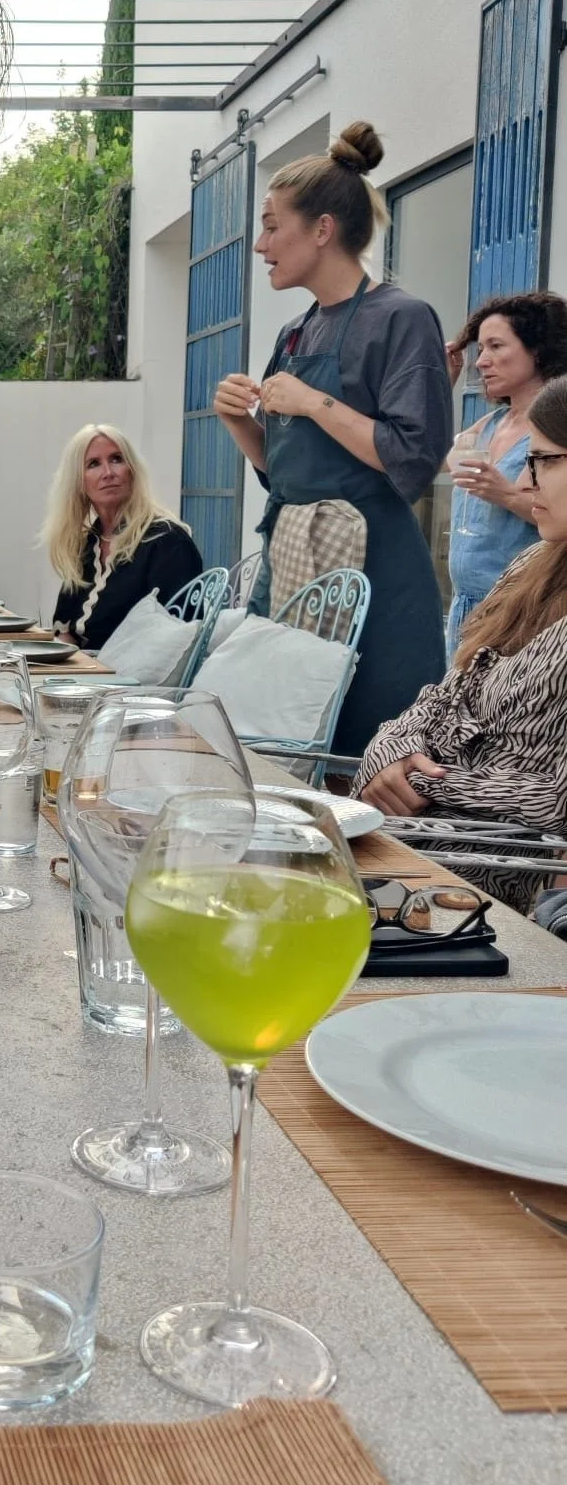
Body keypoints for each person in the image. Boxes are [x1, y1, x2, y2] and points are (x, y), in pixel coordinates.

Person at [212, 122, 452, 757]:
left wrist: (314, 403)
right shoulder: (296, 331)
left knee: (366, 754)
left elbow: (413, 456)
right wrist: (240, 422)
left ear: (322, 229)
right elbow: (285, 472)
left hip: (374, 572)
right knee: (278, 739)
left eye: (272, 226)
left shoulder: (401, 318)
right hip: (293, 555)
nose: (261, 244)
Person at [356, 375, 567, 908]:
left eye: (544, 460)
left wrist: (420, 781)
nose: (526, 483)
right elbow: (447, 694)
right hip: (410, 849)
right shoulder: (534, 565)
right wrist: (391, 751)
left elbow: (557, 799)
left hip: (489, 881)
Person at [442, 290, 567, 654]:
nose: (481, 361)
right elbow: (425, 459)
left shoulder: (556, 427)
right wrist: (443, 385)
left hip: (519, 611)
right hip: (465, 608)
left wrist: (508, 495)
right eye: (480, 349)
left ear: (538, 350)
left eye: (496, 346)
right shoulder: (489, 424)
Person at [43, 424, 203, 646]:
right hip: (83, 665)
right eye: (93, 464)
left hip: (138, 667)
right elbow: (65, 627)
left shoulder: (167, 541)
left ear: (132, 470)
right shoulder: (87, 544)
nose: (108, 473)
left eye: (117, 459)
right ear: (78, 482)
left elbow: (177, 636)